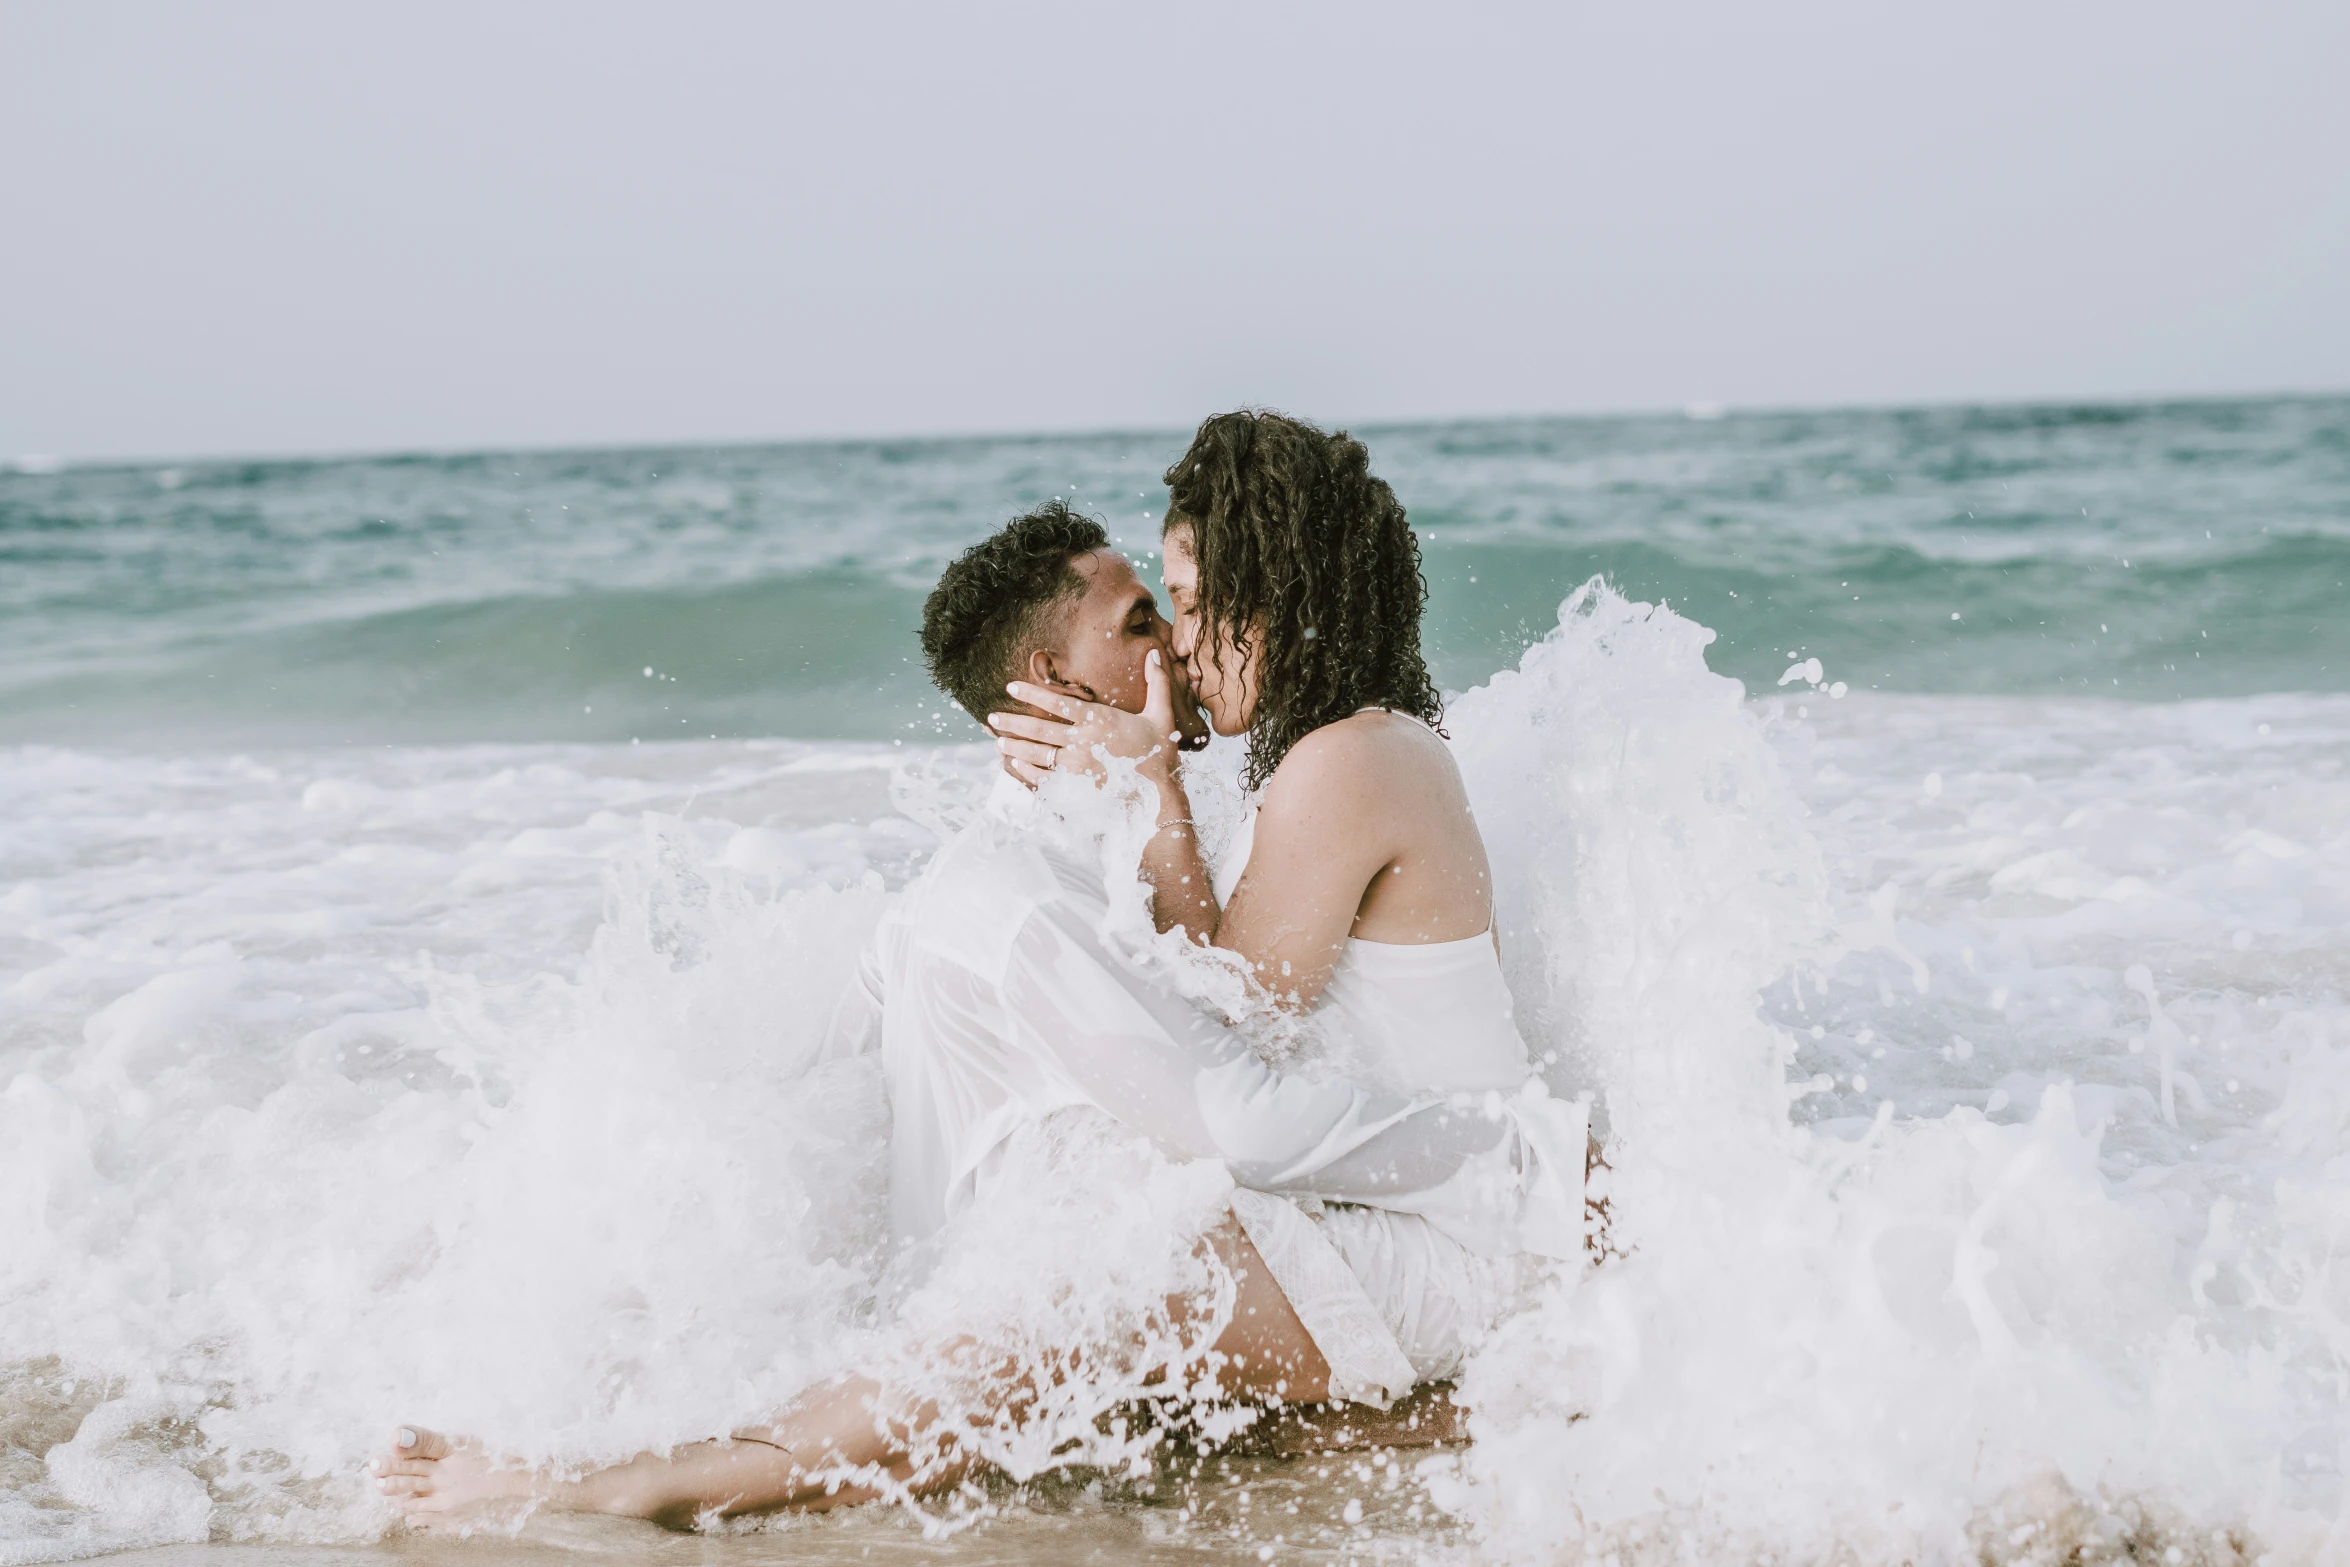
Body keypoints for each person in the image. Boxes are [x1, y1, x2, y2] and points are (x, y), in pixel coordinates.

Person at [374, 462, 1592, 1529]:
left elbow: (1240, 1062)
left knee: (1123, 1240)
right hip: (1445, 1216)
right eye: (1147, 617)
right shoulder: (1014, 888)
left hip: (1469, 1228)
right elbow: (1228, 1061)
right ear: (1046, 679)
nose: (1173, 639)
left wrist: (1533, 1162)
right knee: (1097, 1212)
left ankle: (676, 1468)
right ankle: (699, 1453)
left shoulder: (1299, 773)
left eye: (1193, 606)